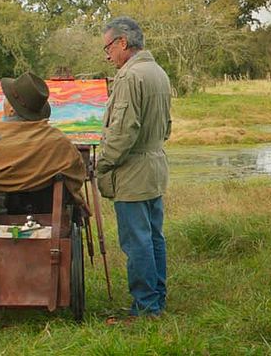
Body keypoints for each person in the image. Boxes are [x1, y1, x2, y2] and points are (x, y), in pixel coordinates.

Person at [98, 16, 172, 319]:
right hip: (154, 166)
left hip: (133, 171)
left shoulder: (130, 77)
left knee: (137, 241)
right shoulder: (157, 72)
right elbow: (166, 128)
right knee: (153, 237)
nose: (107, 56)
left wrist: (100, 163)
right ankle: (156, 300)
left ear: (123, 43)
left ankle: (145, 307)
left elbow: (122, 132)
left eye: (108, 48)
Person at [0, 72, 88, 213]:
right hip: (50, 220)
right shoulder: (60, 143)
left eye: (6, 98)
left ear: (12, 109)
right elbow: (76, 181)